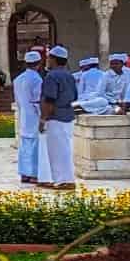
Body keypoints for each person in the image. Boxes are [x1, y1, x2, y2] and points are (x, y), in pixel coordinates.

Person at [38, 45, 77, 190]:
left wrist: (43, 119)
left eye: (49, 58)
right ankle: (65, 178)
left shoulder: (52, 76)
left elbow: (49, 99)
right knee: (65, 148)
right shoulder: (69, 75)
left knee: (57, 151)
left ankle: (63, 180)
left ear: (53, 59)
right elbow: (75, 96)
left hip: (55, 117)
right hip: (68, 115)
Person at [13, 50, 45, 184]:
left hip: (23, 114)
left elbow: (18, 100)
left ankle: (24, 173)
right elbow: (37, 99)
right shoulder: (36, 79)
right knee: (34, 145)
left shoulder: (18, 79)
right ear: (39, 63)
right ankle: (33, 174)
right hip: (33, 115)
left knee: (24, 145)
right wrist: (43, 117)